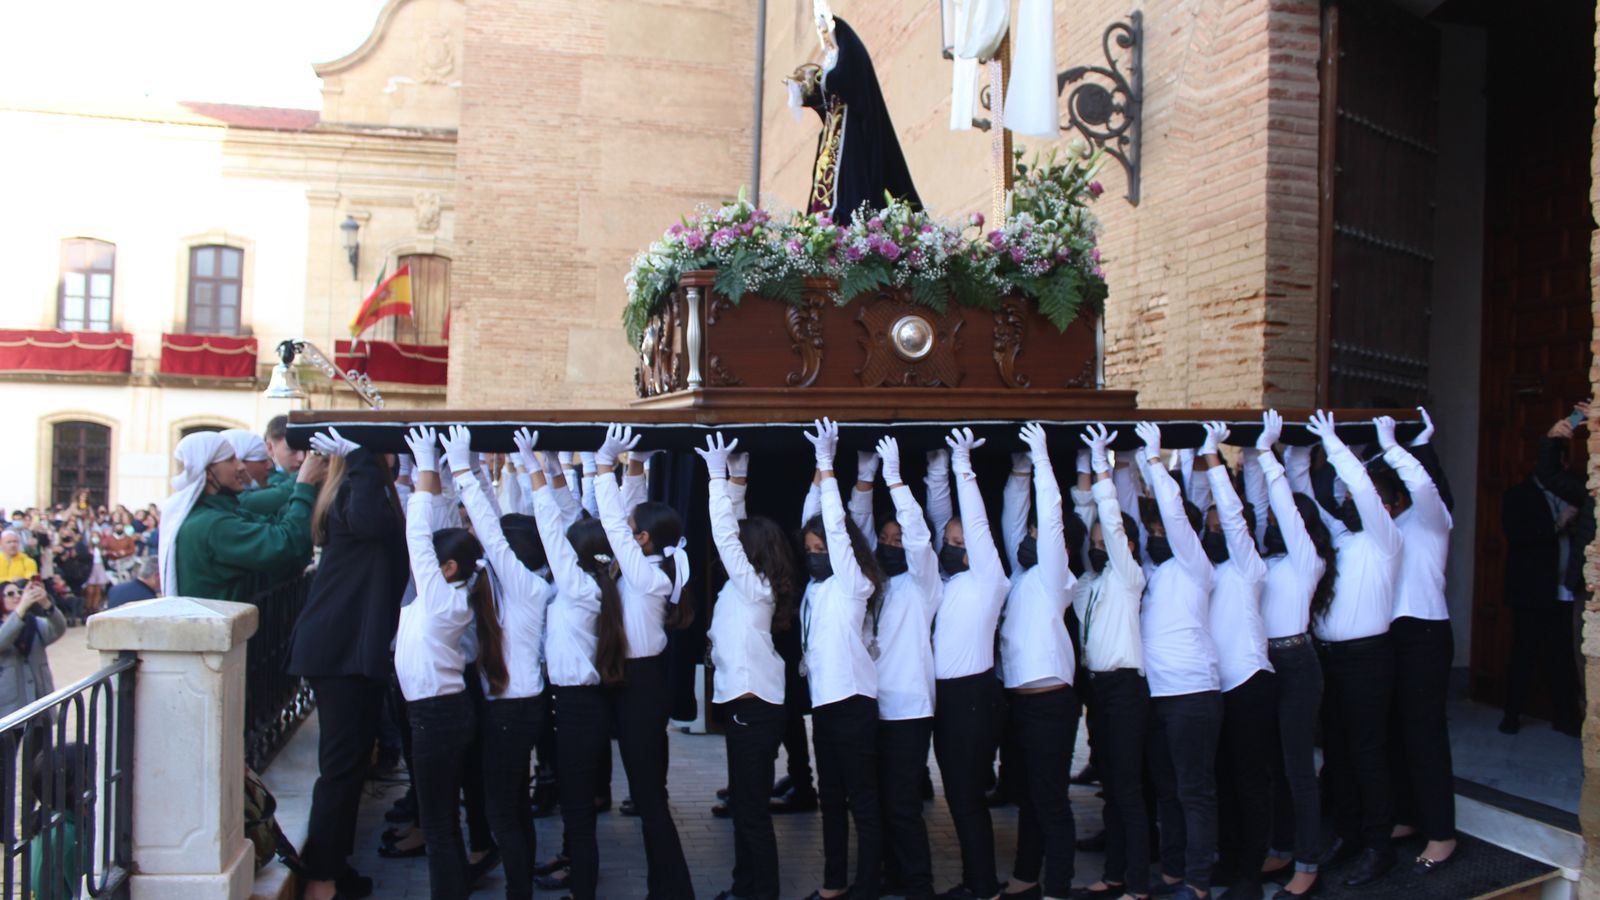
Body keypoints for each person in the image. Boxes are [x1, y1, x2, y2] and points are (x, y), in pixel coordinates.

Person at [289, 428, 408, 900]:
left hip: (345, 652)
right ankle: (321, 882)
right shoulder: (356, 499)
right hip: (339, 654)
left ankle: (332, 869)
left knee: (351, 766)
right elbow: (373, 522)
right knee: (340, 770)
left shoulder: (361, 496)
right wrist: (361, 456)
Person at [396, 426, 505, 900]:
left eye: (430, 563)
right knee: (443, 820)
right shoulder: (451, 591)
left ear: (448, 570)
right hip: (444, 712)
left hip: (436, 717)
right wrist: (434, 475)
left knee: (439, 824)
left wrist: (423, 466)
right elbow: (432, 535)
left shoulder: (441, 597)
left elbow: (418, 534)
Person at [592, 424, 696, 899]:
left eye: (637, 535)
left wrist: (601, 468)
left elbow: (617, 527)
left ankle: (673, 890)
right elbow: (628, 521)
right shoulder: (651, 566)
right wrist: (632, 466)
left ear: (646, 540)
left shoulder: (648, 578)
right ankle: (665, 887)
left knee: (651, 797)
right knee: (649, 792)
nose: (629, 538)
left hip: (642, 686)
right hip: (635, 681)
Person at [694, 432, 799, 900]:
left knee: (752, 812)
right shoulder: (749, 584)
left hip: (753, 712)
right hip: (750, 709)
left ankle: (760, 893)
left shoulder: (753, 586)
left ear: (750, 552)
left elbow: (723, 533)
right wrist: (737, 476)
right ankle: (745, 887)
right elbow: (732, 529)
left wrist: (717, 475)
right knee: (746, 807)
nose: (731, 548)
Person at [527, 446, 630, 900]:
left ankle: (582, 885)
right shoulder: (596, 583)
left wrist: (533, 470)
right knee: (576, 801)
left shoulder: (578, 589)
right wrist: (550, 467)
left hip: (577, 707)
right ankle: (573, 861)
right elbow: (568, 522)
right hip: (579, 705)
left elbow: (553, 528)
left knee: (577, 805)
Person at [456, 426, 554, 900]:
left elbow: (492, 537)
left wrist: (462, 470)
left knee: (501, 811)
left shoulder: (526, 587)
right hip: (518, 706)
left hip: (513, 711)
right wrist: (474, 471)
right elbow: (493, 532)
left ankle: (519, 892)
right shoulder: (525, 582)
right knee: (514, 804)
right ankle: (522, 887)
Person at [1307, 410, 1404, 888]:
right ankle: (1347, 835)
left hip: (1368, 658)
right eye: (1342, 500)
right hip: (1332, 658)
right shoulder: (1342, 539)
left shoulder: (1387, 540)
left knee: (1367, 753)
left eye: (1354, 499)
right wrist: (1297, 457)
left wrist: (1339, 448)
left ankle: (1377, 845)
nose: (1345, 503)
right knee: (1340, 753)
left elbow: (1363, 492)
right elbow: (1309, 499)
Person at [1245, 412, 1335, 900]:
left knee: (1299, 768)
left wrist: (1269, 454)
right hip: (1266, 663)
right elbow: (1261, 508)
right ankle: (1281, 846)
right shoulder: (1272, 556)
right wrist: (1250, 461)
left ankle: (1307, 864)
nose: (1277, 525)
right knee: (1275, 767)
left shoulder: (1308, 560)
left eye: (1288, 521)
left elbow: (1276, 502)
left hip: (1297, 664)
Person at [797, 418, 886, 900]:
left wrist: (830, 467)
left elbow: (833, 523)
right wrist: (817, 471)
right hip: (826, 705)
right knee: (831, 800)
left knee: (862, 802)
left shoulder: (854, 584)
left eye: (821, 550)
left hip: (853, 703)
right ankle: (833, 886)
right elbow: (812, 518)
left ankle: (867, 886)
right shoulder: (814, 587)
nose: (813, 555)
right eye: (808, 551)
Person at [1132, 421, 1221, 900]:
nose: (1157, 535)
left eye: (1164, 530)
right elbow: (1135, 511)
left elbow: (1173, 512)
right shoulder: (1154, 570)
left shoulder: (1195, 564)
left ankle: (1198, 882)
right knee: (1167, 791)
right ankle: (1171, 873)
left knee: (1194, 792)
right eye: (1153, 531)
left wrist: (1153, 458)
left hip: (1193, 694)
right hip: (1158, 696)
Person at [996, 423, 1080, 900]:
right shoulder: (1022, 574)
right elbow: (1015, 521)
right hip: (1021, 704)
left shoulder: (1054, 576)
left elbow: (1046, 518)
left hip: (1051, 703)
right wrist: (1021, 470)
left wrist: (1044, 459)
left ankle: (1060, 888)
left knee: (1050, 801)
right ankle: (1026, 877)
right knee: (1029, 796)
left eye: (1038, 534)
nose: (1029, 536)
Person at [927, 426, 1009, 900]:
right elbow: (943, 520)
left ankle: (983, 888)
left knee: (966, 798)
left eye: (962, 540)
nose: (955, 543)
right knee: (958, 798)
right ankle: (978, 882)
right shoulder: (947, 578)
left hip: (973, 697)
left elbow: (973, 524)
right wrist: (938, 469)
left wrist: (963, 466)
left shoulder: (988, 579)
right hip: (948, 701)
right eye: (951, 540)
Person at [1192, 423, 1274, 899]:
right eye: (1212, 527)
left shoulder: (1249, 564)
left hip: (1248, 681)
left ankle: (1250, 871)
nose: (1217, 529)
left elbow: (1235, 518)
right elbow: (1198, 511)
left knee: (1248, 780)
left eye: (1223, 524)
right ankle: (1227, 859)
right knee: (1220, 778)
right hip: (1211, 684)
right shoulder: (1206, 565)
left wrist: (1212, 458)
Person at [1071, 424, 1150, 900]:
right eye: (1095, 546)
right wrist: (1083, 473)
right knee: (1113, 789)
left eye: (1106, 545)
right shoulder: (1091, 584)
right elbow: (1086, 530)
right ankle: (1114, 875)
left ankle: (1136, 885)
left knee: (1128, 791)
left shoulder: (1128, 578)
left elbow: (1112, 528)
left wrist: (1103, 470)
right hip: (1099, 691)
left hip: (1125, 690)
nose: (1099, 549)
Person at [1501, 413, 1587, 737]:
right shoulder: (1518, 495)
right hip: (1531, 589)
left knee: (1562, 657)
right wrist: (1557, 525)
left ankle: (1566, 717)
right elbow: (1518, 535)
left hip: (1565, 588)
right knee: (1523, 654)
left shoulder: (1577, 491)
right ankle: (1511, 715)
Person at [161, 431, 322, 604]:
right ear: (208, 472)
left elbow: (276, 529)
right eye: (230, 460)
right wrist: (305, 484)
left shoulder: (220, 512)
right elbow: (285, 544)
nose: (240, 466)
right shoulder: (213, 525)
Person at [0, 580, 67, 718]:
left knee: (42, 739)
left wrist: (46, 604)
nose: (17, 596)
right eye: (10, 594)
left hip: (39, 701)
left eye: (20, 592)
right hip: (7, 707)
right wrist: (21, 608)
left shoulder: (34, 622)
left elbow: (59, 629)